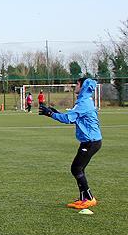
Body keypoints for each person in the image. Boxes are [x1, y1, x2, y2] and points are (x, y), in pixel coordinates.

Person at [39, 77, 102, 210]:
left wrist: (50, 114)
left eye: (77, 84)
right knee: (79, 168)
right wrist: (55, 113)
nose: (75, 87)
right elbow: (74, 117)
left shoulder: (83, 103)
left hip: (91, 142)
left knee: (76, 168)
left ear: (83, 87)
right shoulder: (84, 101)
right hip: (89, 141)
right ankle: (84, 198)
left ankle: (89, 198)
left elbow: (68, 119)